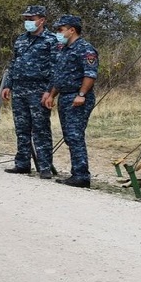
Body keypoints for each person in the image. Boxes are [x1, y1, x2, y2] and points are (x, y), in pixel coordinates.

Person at [1, 5, 60, 178]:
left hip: (39, 90)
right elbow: (14, 64)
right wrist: (8, 85)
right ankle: (22, 164)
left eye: (31, 19)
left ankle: (44, 167)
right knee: (21, 128)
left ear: (42, 20)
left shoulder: (51, 40)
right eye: (26, 19)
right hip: (19, 89)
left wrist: (49, 91)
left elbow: (55, 67)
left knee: (41, 129)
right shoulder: (20, 39)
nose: (28, 22)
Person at [43, 15, 98, 188]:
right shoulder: (62, 48)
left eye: (61, 29)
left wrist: (81, 94)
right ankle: (77, 173)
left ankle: (81, 175)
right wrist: (52, 95)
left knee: (75, 135)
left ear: (72, 30)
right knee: (69, 135)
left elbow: (90, 74)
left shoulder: (85, 49)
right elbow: (59, 76)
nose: (58, 33)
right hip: (64, 96)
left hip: (78, 97)